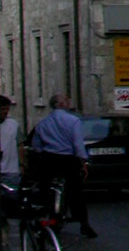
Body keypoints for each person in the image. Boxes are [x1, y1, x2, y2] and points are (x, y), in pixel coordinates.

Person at [28, 93, 95, 237]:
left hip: (49, 159)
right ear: (61, 104)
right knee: (75, 191)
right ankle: (84, 224)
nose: (69, 101)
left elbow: (36, 145)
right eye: (66, 100)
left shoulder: (43, 123)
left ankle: (45, 218)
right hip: (67, 160)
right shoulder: (73, 121)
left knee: (45, 188)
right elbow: (78, 144)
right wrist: (83, 161)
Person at [0, 93, 23, 213]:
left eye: (7, 109)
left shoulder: (13, 125)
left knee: (12, 205)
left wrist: (22, 165)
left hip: (11, 171)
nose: (5, 112)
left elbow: (20, 146)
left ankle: (12, 228)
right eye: (3, 109)